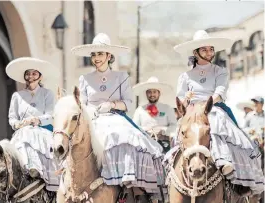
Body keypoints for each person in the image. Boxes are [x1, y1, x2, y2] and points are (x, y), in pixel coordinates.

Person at [71, 33, 165, 201]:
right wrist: (91, 110)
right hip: (93, 119)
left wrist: (112, 105)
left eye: (100, 54)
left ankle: (130, 185)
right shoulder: (85, 78)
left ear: (109, 56)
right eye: (93, 54)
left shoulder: (122, 77)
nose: (96, 58)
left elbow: (128, 103)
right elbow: (82, 105)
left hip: (115, 116)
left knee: (128, 136)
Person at [174, 30, 264, 195]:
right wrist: (186, 98)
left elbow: (220, 93)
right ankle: (172, 172)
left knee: (215, 124)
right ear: (196, 52)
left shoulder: (219, 71)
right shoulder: (185, 76)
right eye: (204, 49)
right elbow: (180, 99)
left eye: (211, 49)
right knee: (180, 136)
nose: (209, 53)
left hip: (213, 108)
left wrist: (205, 105)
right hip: (192, 111)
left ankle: (225, 163)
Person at [6, 57, 60, 191]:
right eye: (28, 73)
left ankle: (40, 171)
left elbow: (51, 114)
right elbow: (12, 118)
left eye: (34, 73)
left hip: (42, 130)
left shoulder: (47, 94)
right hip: (22, 131)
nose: (30, 76)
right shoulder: (17, 96)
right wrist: (18, 124)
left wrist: (36, 120)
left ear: (40, 76)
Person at [133, 77, 177, 153]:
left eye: (154, 92)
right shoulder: (139, 110)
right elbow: (134, 128)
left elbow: (174, 126)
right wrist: (146, 131)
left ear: (159, 93)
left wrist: (163, 131)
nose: (152, 94)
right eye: (149, 92)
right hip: (145, 146)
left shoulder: (167, 108)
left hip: (164, 145)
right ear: (146, 93)